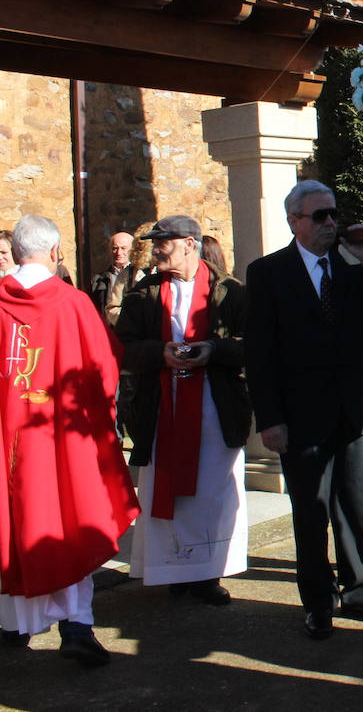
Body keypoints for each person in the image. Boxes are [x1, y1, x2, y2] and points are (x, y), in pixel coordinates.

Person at [244, 180, 363, 640]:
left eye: (333, 214)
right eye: (319, 216)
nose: (330, 223)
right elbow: (260, 353)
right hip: (300, 416)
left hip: (353, 412)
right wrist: (270, 419)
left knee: (354, 505)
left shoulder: (352, 269)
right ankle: (317, 601)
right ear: (294, 221)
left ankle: (360, 591)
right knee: (310, 512)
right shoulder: (268, 273)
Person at [0, 215, 139, 666]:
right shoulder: (71, 304)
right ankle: (75, 626)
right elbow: (104, 367)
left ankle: (14, 626)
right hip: (62, 440)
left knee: (11, 522)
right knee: (70, 517)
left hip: (4, 439)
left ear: (14, 252)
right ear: (54, 253)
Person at [115, 215, 250, 606]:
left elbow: (253, 343)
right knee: (167, 489)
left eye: (164, 243)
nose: (156, 249)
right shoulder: (145, 293)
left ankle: (208, 572)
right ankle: (175, 568)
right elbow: (123, 346)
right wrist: (161, 353)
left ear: (189, 245)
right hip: (162, 406)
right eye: (155, 243)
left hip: (215, 405)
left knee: (212, 491)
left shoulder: (231, 292)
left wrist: (213, 351)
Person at [91, 231, 141, 326]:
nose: (119, 252)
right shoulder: (99, 280)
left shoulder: (140, 275)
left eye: (123, 248)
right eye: (115, 248)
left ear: (132, 249)